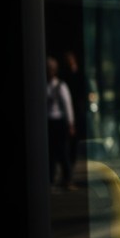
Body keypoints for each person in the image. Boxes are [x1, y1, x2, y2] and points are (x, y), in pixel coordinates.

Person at [46, 55, 76, 190]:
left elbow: (67, 104)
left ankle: (67, 178)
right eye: (48, 69)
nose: (49, 71)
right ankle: (51, 178)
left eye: (51, 69)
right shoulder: (45, 85)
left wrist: (70, 123)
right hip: (50, 121)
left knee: (63, 151)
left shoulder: (61, 86)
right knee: (51, 152)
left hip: (59, 121)